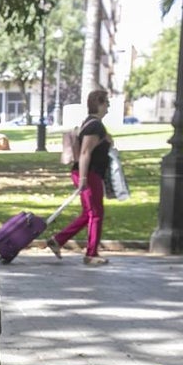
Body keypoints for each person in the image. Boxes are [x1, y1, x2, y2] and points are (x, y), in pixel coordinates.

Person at [47, 88, 112, 266]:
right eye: (106, 103)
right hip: (88, 174)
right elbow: (85, 153)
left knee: (88, 213)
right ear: (99, 104)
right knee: (96, 214)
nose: (108, 107)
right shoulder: (94, 126)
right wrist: (83, 179)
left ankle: (58, 240)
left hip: (88, 173)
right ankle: (91, 254)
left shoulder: (92, 123)